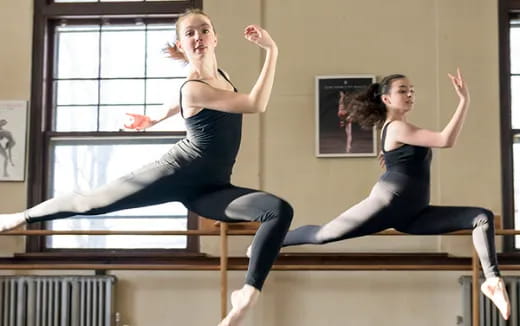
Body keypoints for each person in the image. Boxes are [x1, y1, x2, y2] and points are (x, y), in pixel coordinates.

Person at [0, 9, 292, 326]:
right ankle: (20, 216)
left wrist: (153, 118)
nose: (198, 37)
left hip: (213, 189)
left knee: (278, 210)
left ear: (215, 37)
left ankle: (246, 296)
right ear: (181, 45)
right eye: (190, 34)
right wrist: (271, 51)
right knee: (94, 202)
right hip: (175, 172)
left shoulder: (219, 76)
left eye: (204, 30)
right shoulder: (193, 87)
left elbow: (181, 102)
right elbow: (255, 104)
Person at [281, 70, 511, 320]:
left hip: (413, 215)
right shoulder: (397, 127)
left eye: (411, 90)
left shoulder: (395, 129)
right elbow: (445, 140)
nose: (410, 94)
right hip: (388, 203)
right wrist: (464, 100)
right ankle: (273, 239)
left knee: (481, 217)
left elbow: (401, 157)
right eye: (402, 90)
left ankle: (492, 281)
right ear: (386, 99)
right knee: (324, 235)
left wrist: (392, 159)